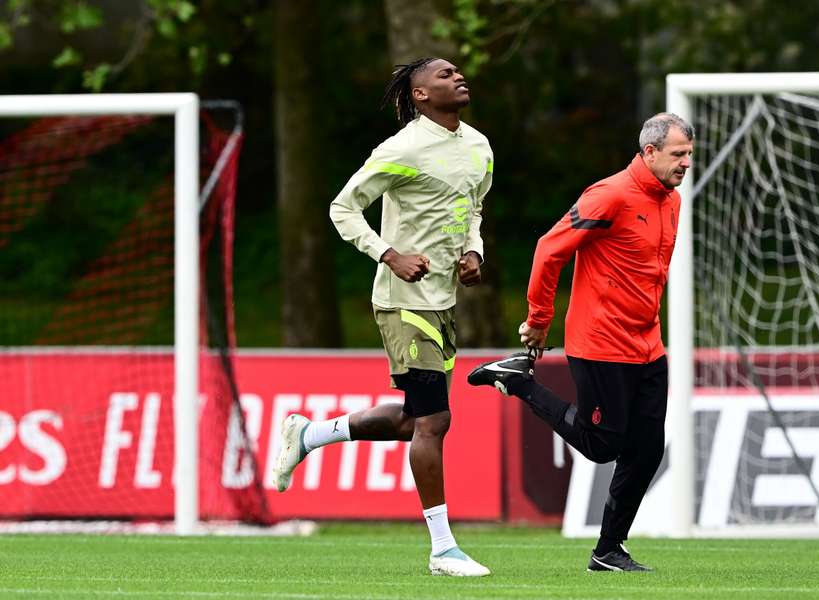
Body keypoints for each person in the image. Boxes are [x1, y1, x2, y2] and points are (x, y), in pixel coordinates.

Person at [271, 57, 493, 577]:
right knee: (436, 422)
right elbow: (343, 207)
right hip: (401, 301)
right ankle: (443, 550)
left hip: (442, 301)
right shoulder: (403, 150)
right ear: (419, 96)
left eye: (458, 72)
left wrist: (473, 252)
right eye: (443, 75)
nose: (457, 77)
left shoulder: (479, 146)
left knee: (415, 420)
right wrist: (389, 253)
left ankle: (309, 435)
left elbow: (473, 209)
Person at [468, 113, 693, 572]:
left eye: (690, 154)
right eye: (678, 154)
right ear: (649, 153)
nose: (686, 163)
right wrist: (538, 319)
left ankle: (609, 550)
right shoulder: (608, 194)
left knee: (648, 450)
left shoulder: (671, 200)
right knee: (602, 445)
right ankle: (519, 382)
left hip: (648, 345)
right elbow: (549, 249)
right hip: (600, 341)